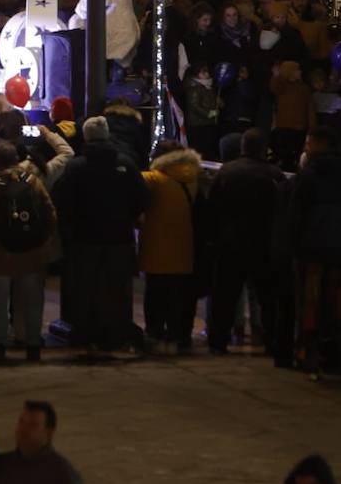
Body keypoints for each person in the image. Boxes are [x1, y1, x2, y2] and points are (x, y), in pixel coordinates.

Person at [52, 116, 149, 353]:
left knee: (85, 288)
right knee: (117, 288)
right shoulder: (125, 164)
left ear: (86, 137)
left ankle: (87, 334)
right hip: (119, 237)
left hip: (85, 239)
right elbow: (142, 198)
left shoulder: (76, 167)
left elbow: (63, 201)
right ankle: (115, 333)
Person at [0, 141, 58, 363]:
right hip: (31, 251)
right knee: (33, 299)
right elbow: (49, 212)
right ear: (16, 159)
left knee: (0, 300)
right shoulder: (32, 181)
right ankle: (33, 345)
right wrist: (43, 241)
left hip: (0, 251)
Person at [208, 127, 286, 355]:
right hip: (263, 244)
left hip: (230, 243)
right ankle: (272, 341)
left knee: (225, 296)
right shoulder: (274, 174)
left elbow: (213, 208)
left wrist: (214, 239)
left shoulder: (226, 172)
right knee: (267, 298)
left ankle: (218, 341)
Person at [285, 126, 341, 376]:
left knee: (310, 301)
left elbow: (295, 214)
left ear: (320, 144)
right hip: (337, 249)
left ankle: (308, 352)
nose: (305, 148)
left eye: (309, 143)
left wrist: (292, 245)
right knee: (335, 300)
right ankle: (333, 352)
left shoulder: (308, 175)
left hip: (312, 248)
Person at [138, 140, 203, 355]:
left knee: (155, 297)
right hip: (184, 249)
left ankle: (155, 335)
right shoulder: (194, 179)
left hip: (156, 249)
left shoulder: (154, 179)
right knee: (178, 297)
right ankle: (176, 337)